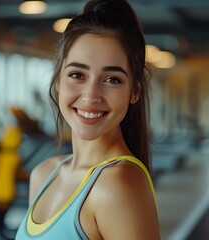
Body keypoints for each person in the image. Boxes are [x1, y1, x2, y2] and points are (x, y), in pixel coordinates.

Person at [15, 0, 160, 239]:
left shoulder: (117, 186)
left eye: (112, 79)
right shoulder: (43, 175)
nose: (91, 96)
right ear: (59, 80)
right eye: (77, 75)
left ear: (134, 92)